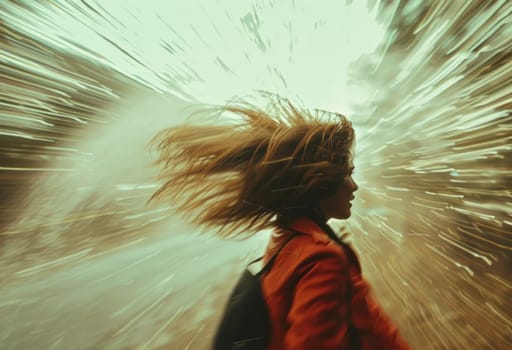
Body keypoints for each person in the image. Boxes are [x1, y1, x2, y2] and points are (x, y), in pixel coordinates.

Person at [149, 94, 411, 350]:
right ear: (321, 182)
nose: (354, 186)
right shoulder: (322, 257)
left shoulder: (288, 238)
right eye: (347, 175)